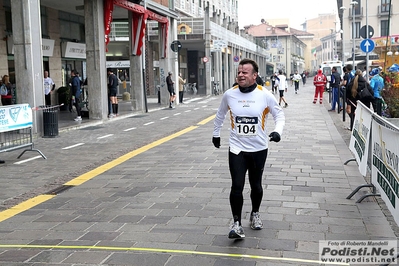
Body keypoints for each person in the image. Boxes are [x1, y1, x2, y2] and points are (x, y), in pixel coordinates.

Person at [212, 58, 285, 239]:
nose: (240, 75)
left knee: (256, 185)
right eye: (239, 72)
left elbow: (279, 114)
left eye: (245, 72)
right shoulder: (229, 94)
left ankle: (255, 213)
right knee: (237, 185)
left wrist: (277, 132)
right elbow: (220, 114)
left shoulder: (265, 94)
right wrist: (216, 134)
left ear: (254, 75)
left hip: (259, 148)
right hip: (237, 148)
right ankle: (236, 224)